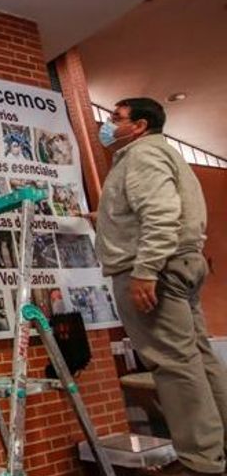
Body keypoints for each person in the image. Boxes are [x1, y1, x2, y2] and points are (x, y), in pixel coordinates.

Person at [92, 97, 225, 476]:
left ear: (139, 126)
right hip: (181, 264)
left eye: (115, 118)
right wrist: (102, 220)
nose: (107, 123)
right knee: (197, 359)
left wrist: (145, 271)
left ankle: (200, 463)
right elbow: (153, 208)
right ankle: (217, 452)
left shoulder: (141, 157)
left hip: (156, 270)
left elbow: (161, 214)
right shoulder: (160, 154)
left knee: (174, 366)